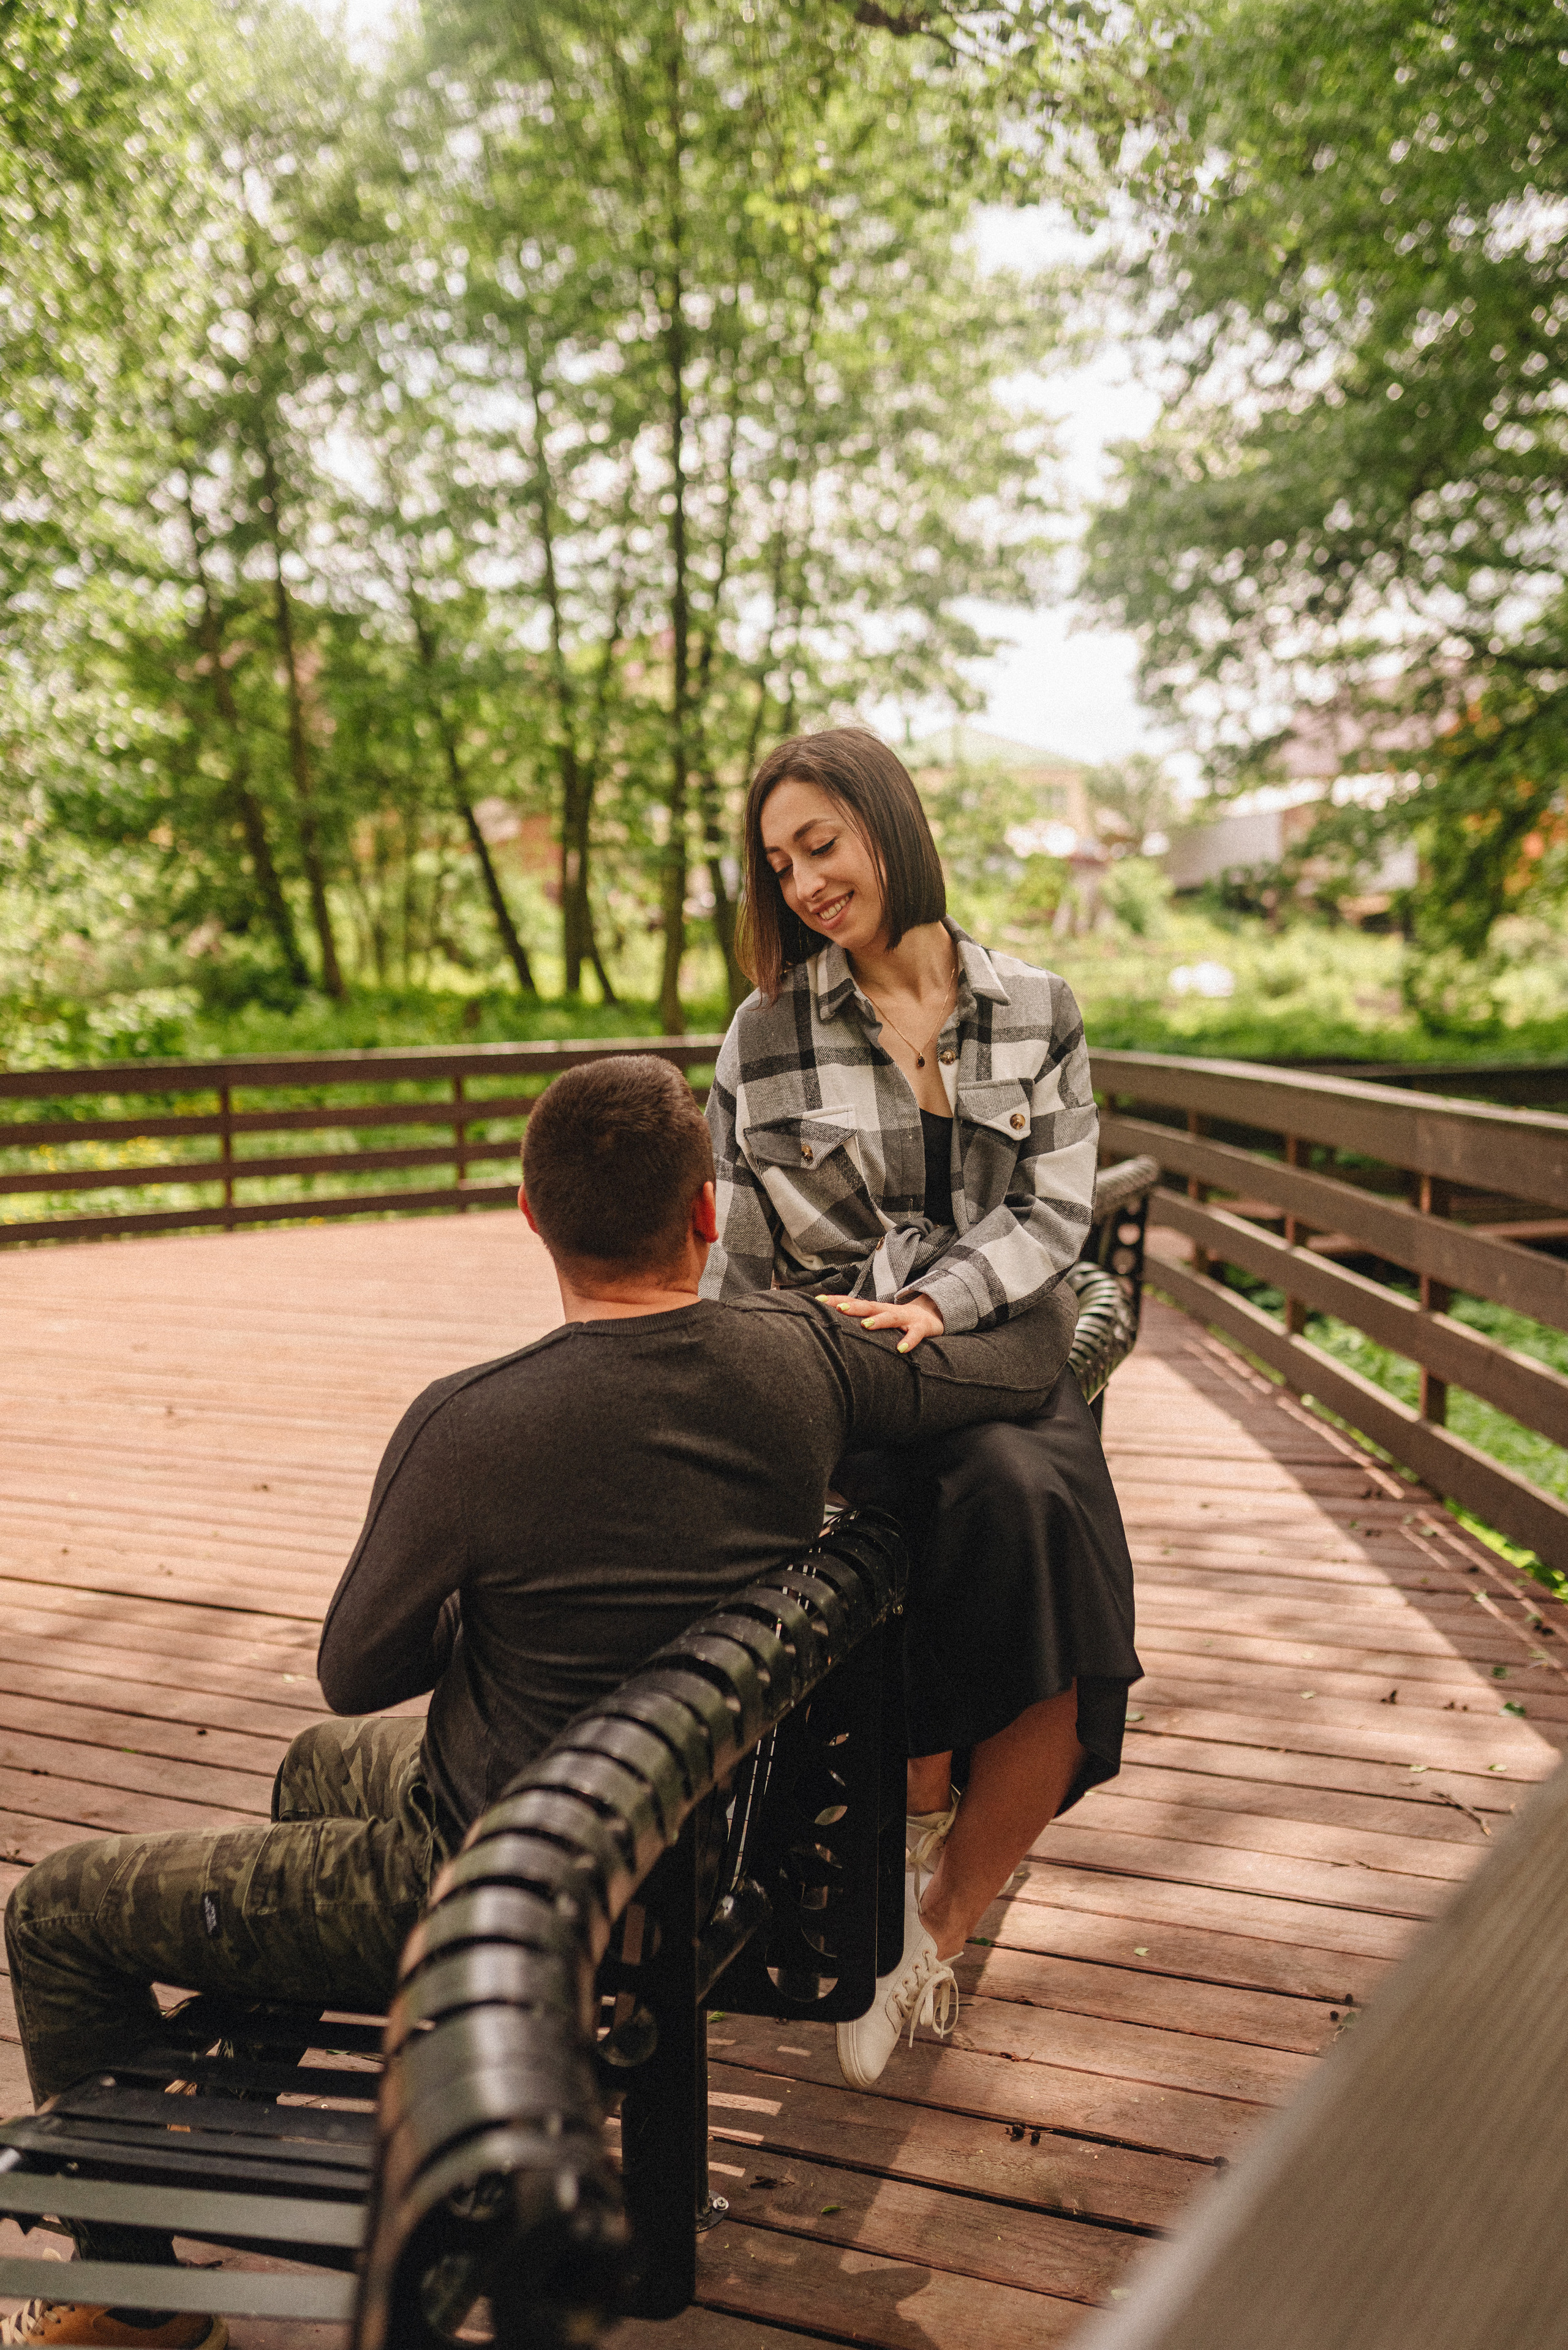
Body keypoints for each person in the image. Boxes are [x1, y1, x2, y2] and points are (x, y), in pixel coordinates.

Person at [2, 1054, 1079, 2350]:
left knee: (55, 1909)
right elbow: (1023, 1362)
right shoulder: (801, 1355)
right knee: (310, 1765)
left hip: (488, 1882)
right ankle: (227, 2128)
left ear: (528, 1213)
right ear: (707, 1214)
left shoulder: (468, 1419)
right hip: (683, 1845)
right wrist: (956, 1301)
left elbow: (361, 1660)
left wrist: (494, 1591)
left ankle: (130, 2301)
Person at [700, 725, 1141, 2092]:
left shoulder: (1037, 1007)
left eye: (819, 844)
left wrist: (940, 1304)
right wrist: (717, 1400)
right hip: (859, 1380)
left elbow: (1056, 1206)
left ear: (885, 822)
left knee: (1026, 1498)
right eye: (779, 866)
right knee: (976, 1510)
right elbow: (741, 1259)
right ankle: (908, 1817)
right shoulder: (763, 1037)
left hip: (994, 1350)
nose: (804, 883)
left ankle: (930, 1921)